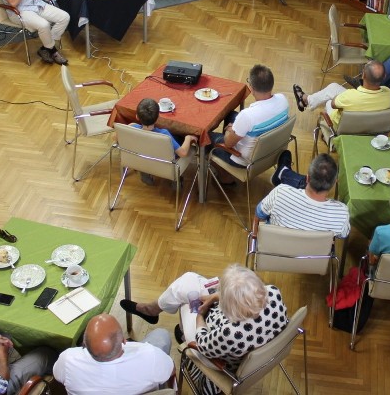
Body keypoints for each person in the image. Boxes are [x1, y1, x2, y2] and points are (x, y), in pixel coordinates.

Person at [120, 264, 287, 395]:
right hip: (257, 344)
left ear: (229, 306)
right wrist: (215, 296)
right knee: (189, 279)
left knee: (186, 297)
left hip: (212, 354)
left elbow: (201, 342)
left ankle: (153, 312)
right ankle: (151, 310)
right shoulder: (273, 293)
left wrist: (201, 313)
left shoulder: (229, 334)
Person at [53, 313, 174, 395]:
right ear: (124, 340)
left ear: (83, 343)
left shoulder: (67, 359)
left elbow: (58, 376)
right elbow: (170, 370)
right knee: (161, 334)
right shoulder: (150, 355)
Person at [209, 64, 289, 183]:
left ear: (251, 88)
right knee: (231, 115)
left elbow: (228, 143)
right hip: (271, 152)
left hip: (242, 160)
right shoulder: (283, 100)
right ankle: (223, 171)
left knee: (205, 137)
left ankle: (225, 177)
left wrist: (229, 131)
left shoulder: (247, 116)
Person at [254, 153, 350, 238]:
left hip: (273, 253)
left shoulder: (280, 192)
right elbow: (343, 234)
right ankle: (283, 172)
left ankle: (283, 172)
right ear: (334, 183)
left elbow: (259, 213)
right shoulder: (341, 213)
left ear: (307, 178)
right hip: (313, 257)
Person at [291, 60, 390, 123]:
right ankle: (306, 99)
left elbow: (334, 105)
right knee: (334, 87)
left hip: (344, 128)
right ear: (385, 76)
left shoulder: (350, 95)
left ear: (363, 75)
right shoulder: (388, 93)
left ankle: (307, 100)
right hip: (369, 127)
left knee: (328, 101)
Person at [131, 98, 197, 185]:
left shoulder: (132, 127)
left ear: (137, 116)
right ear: (158, 117)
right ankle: (175, 180)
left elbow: (115, 138)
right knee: (180, 141)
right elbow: (183, 153)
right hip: (165, 164)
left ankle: (145, 171)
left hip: (142, 159)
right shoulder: (165, 135)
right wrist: (188, 138)